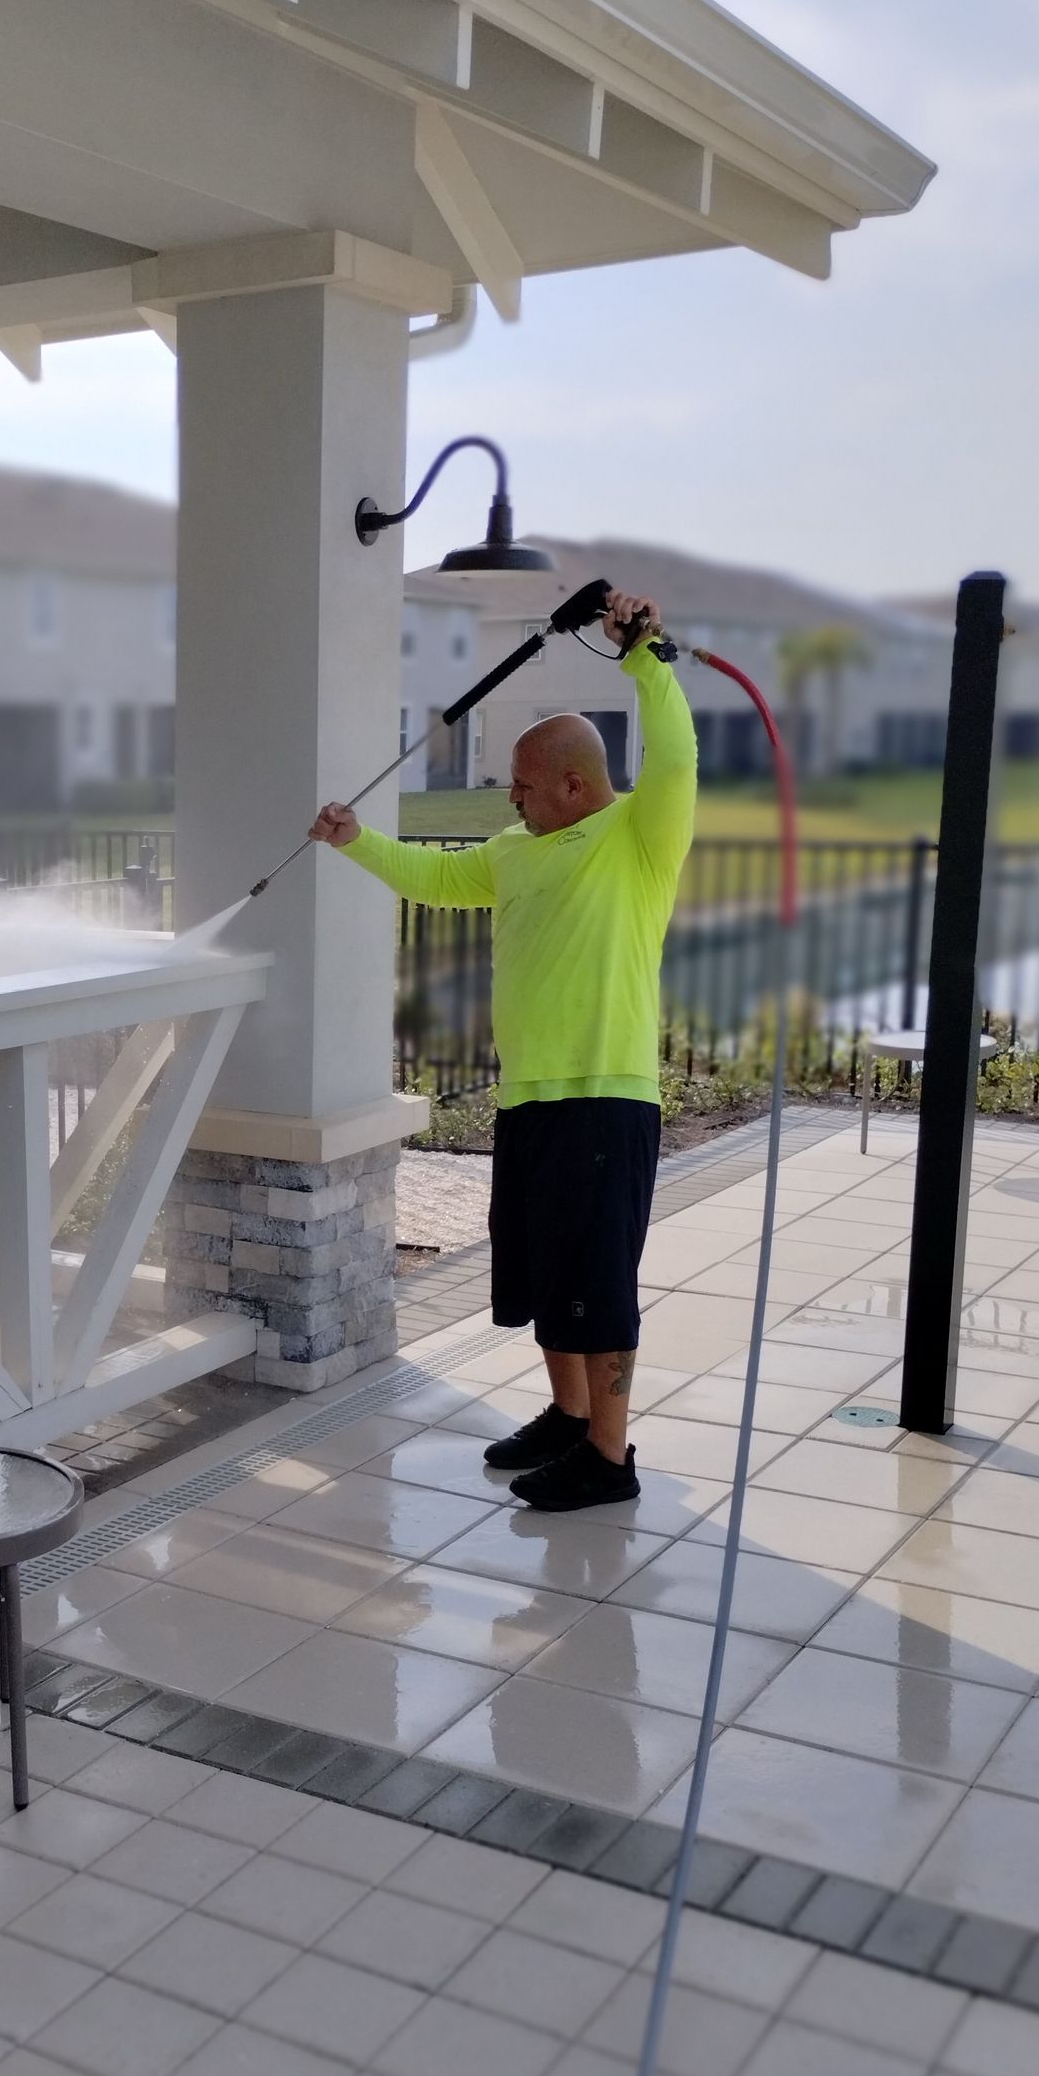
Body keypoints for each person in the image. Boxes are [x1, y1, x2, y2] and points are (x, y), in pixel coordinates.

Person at [311, 589, 696, 1510]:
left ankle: (610, 1457)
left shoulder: (639, 838)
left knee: (598, 1281)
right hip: (529, 1097)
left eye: (523, 783)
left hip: (607, 1095)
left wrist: (644, 653)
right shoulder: (517, 849)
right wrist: (357, 841)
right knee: (543, 1269)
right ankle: (568, 1420)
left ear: (574, 783)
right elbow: (438, 878)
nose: (509, 795)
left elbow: (676, 751)